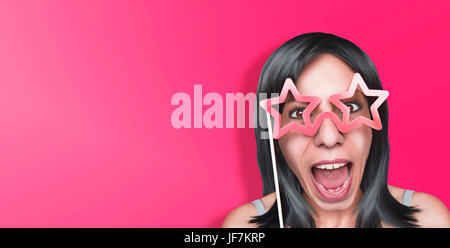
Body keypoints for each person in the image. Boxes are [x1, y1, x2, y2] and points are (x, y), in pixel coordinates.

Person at [222, 32, 449, 228]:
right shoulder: (243, 226)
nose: (329, 138)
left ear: (375, 122)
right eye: (299, 113)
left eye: (349, 106)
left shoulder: (427, 219)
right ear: (273, 133)